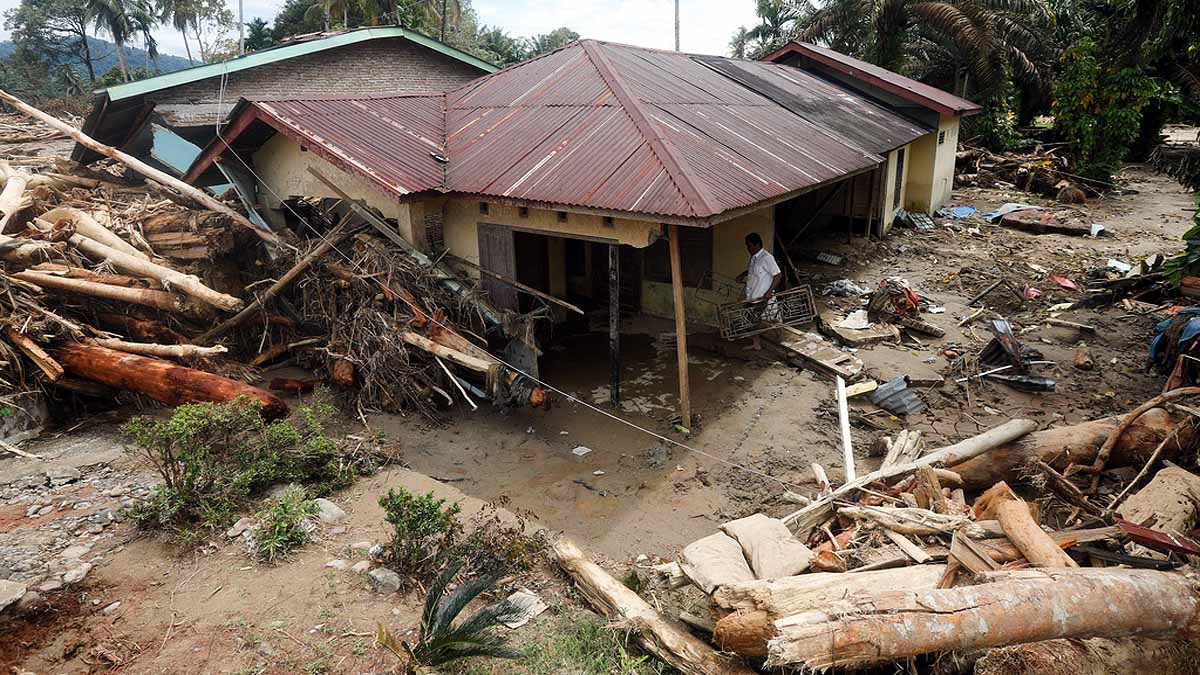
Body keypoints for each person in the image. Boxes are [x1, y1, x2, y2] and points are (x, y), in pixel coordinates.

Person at [735, 232, 782, 350]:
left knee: (762, 319)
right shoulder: (754, 258)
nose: (747, 248)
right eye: (747, 245)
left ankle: (775, 339)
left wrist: (769, 291)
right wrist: (743, 274)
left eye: (749, 245)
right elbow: (753, 271)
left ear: (757, 245)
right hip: (752, 295)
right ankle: (756, 343)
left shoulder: (767, 257)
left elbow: (778, 275)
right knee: (750, 319)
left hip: (762, 296)